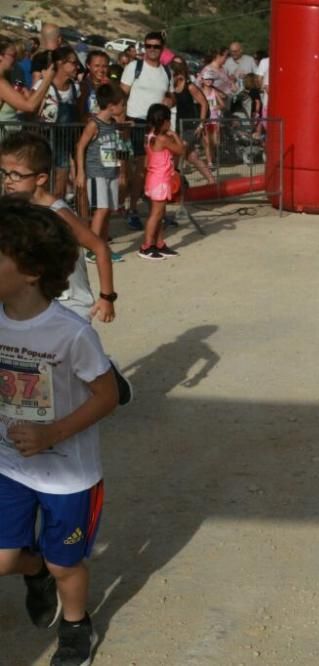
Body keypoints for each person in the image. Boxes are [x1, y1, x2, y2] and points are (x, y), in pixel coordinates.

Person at [0, 198, 119, 666]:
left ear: (30, 271)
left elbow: (108, 396)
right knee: (6, 560)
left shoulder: (71, 334)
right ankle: (34, 571)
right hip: (8, 465)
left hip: (68, 476)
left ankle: (75, 625)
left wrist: (52, 434)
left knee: (65, 562)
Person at [0, 131, 118, 325]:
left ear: (40, 178)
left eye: (16, 175)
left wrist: (107, 297)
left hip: (69, 304)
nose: (7, 181)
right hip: (33, 303)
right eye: (4, 173)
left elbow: (100, 248)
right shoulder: (12, 209)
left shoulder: (58, 214)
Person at [120, 31, 173, 231]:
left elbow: (170, 96)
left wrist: (170, 101)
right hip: (135, 123)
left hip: (157, 125)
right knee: (138, 171)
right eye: (148, 46)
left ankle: (157, 211)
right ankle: (132, 210)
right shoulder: (134, 67)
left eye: (156, 46)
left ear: (162, 48)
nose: (151, 49)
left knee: (158, 170)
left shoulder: (167, 72)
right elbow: (121, 95)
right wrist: (121, 121)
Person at [74, 83, 128, 264]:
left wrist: (121, 171)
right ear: (112, 105)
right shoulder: (93, 124)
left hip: (111, 172)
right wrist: (80, 172)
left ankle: (102, 246)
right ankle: (92, 248)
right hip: (96, 172)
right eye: (122, 104)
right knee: (101, 209)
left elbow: (117, 148)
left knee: (108, 210)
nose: (123, 108)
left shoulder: (112, 124)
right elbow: (80, 146)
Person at [137, 104, 184, 261]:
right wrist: (175, 135)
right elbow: (181, 150)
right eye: (168, 120)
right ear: (163, 121)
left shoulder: (150, 135)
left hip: (155, 179)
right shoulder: (162, 138)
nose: (170, 123)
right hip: (160, 181)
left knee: (160, 213)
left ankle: (159, 243)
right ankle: (146, 246)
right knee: (156, 214)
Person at [33, 46, 80, 202]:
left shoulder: (75, 88)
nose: (77, 66)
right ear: (60, 63)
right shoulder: (43, 85)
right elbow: (31, 110)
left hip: (63, 143)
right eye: (73, 63)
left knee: (59, 188)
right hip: (44, 141)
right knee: (41, 186)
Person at [169, 59, 214, 184]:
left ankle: (172, 180)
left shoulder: (190, 86)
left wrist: (201, 124)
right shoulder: (173, 87)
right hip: (180, 124)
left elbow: (204, 104)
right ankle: (211, 180)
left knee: (178, 150)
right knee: (192, 156)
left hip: (192, 125)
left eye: (175, 73)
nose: (174, 76)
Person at [0, 37, 55, 126]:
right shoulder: (1, 83)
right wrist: (47, 79)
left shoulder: (6, 80)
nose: (16, 59)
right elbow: (29, 106)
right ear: (0, 56)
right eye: (13, 55)